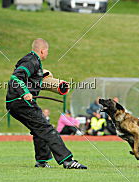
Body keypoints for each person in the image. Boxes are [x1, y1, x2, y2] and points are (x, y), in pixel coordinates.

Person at [6, 38, 87, 169]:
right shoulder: (31, 61)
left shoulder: (32, 61)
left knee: (39, 128)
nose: (47, 54)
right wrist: (24, 92)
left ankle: (42, 161)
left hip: (15, 103)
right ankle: (68, 161)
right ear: (43, 51)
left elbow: (31, 79)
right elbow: (16, 77)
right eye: (47, 51)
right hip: (22, 102)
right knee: (47, 129)